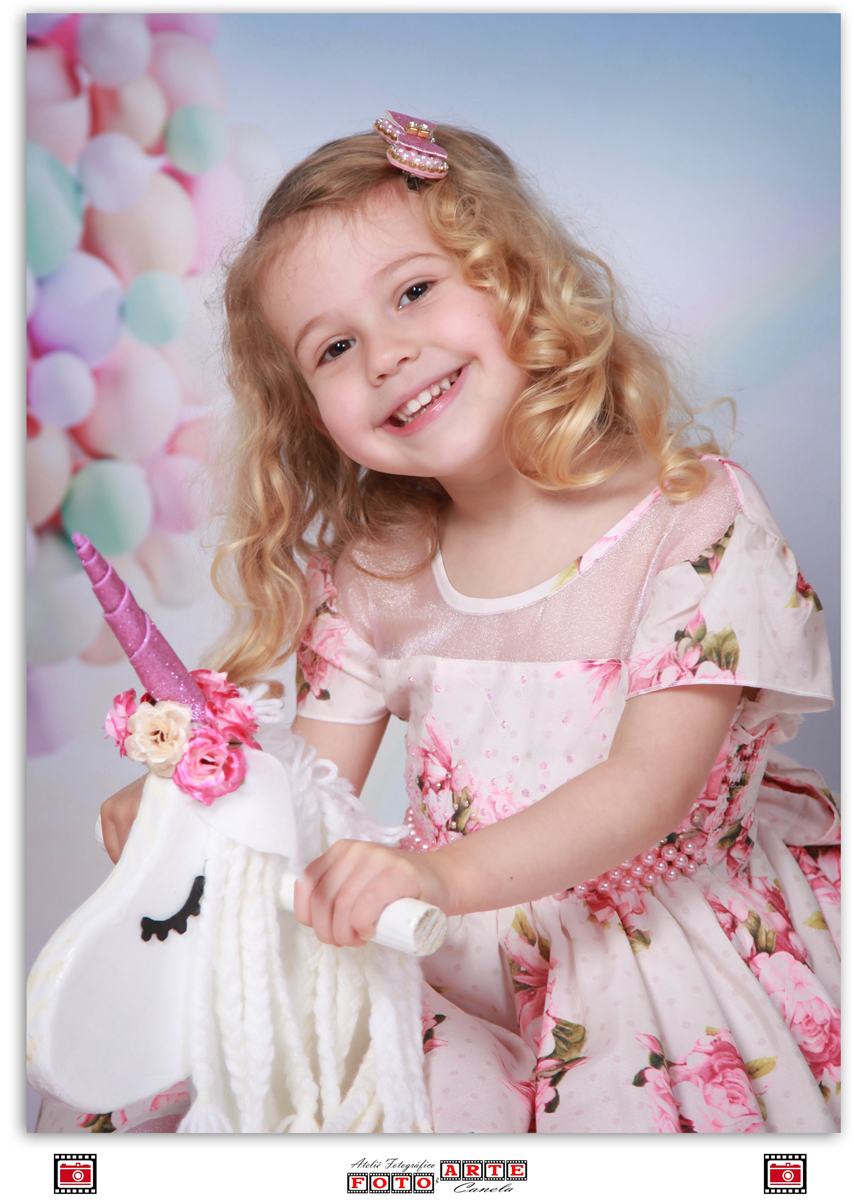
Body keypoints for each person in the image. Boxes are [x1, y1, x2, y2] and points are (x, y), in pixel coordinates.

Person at [101, 116, 840, 1134]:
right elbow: (311, 796)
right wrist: (195, 815)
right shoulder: (376, 573)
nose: (388, 354)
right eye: (334, 348)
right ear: (311, 411)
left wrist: (441, 874)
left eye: (413, 291)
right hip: (443, 940)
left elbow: (649, 786)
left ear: (514, 280)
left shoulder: (689, 514)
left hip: (655, 948)